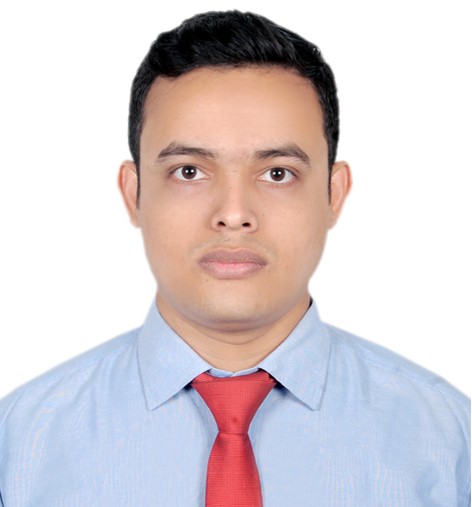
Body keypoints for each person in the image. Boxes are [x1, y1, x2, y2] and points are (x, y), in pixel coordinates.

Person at [0, 10, 469, 507]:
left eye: (278, 173)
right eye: (188, 171)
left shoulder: (450, 442)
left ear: (334, 193)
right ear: (133, 193)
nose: (233, 214)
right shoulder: (20, 446)